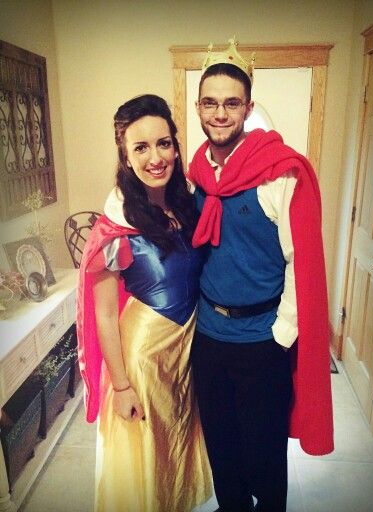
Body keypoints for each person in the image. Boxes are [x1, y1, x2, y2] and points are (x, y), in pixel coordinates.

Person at [188, 39, 334, 512]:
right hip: (209, 337)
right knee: (223, 451)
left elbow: (302, 263)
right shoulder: (196, 174)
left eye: (232, 103)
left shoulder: (280, 173)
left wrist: (281, 334)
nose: (220, 113)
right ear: (198, 107)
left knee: (265, 457)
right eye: (210, 102)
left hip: (260, 341)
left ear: (247, 107)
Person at [76, 94, 212, 512]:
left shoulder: (189, 202)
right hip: (142, 359)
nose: (157, 157)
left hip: (185, 352)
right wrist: (121, 385)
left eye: (164, 143)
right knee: (145, 466)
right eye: (141, 147)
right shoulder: (115, 224)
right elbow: (103, 311)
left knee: (174, 454)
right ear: (126, 155)